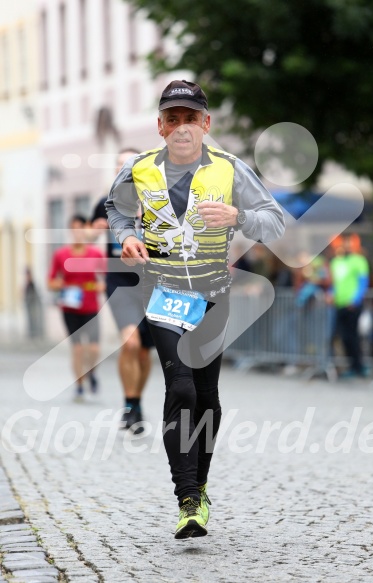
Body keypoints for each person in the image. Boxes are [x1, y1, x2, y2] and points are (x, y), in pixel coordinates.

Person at [105, 80, 285, 539]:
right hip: (163, 291)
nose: (182, 127)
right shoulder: (139, 169)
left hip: (213, 294)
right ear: (160, 126)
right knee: (180, 388)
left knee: (206, 398)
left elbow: (275, 220)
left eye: (191, 118)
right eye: (173, 118)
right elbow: (118, 209)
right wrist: (125, 236)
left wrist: (239, 218)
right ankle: (186, 496)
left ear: (206, 124)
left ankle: (199, 488)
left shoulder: (231, 169)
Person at [90, 148, 154, 432]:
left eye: (128, 164)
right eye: (119, 165)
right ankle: (129, 404)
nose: (123, 169)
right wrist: (100, 228)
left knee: (144, 353)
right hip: (119, 282)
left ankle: (137, 402)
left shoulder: (155, 199)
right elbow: (90, 231)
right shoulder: (107, 202)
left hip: (152, 282)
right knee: (130, 343)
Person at [48, 215, 105, 401]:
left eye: (81, 227)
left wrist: (99, 287)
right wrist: (61, 285)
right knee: (78, 349)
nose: (78, 231)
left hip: (91, 307)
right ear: (70, 231)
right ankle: (80, 386)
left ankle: (92, 373)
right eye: (74, 228)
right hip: (70, 308)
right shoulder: (61, 255)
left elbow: (106, 280)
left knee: (94, 349)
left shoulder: (95, 254)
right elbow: (50, 281)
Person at [330, 233, 370, 378]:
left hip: (352, 305)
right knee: (344, 337)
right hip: (339, 304)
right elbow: (336, 283)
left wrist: (355, 299)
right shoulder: (336, 262)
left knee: (352, 336)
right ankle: (353, 366)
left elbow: (363, 282)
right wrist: (331, 294)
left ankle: (359, 366)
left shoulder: (359, 260)